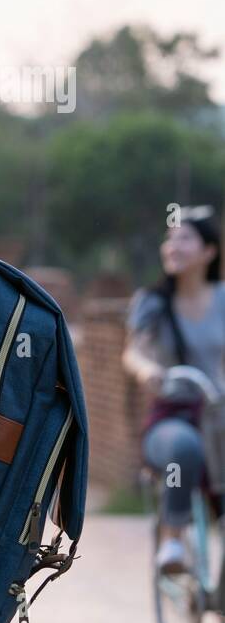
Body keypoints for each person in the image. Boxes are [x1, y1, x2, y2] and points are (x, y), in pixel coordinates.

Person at [122, 207, 225, 574]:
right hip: (173, 416)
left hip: (218, 415)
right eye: (169, 239)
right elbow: (134, 351)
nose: (173, 246)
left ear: (209, 251)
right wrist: (147, 369)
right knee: (184, 450)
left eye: (184, 238)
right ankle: (172, 540)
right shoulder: (152, 302)